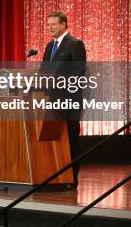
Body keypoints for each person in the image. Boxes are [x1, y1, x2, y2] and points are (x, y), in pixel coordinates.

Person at [41, 11, 86, 186]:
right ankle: (55, 176)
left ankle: (71, 178)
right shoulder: (49, 46)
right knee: (54, 140)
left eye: (53, 24)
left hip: (69, 102)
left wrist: (59, 84)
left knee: (71, 140)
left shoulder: (74, 44)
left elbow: (79, 72)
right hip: (51, 103)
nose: (49, 27)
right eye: (48, 24)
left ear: (64, 24)